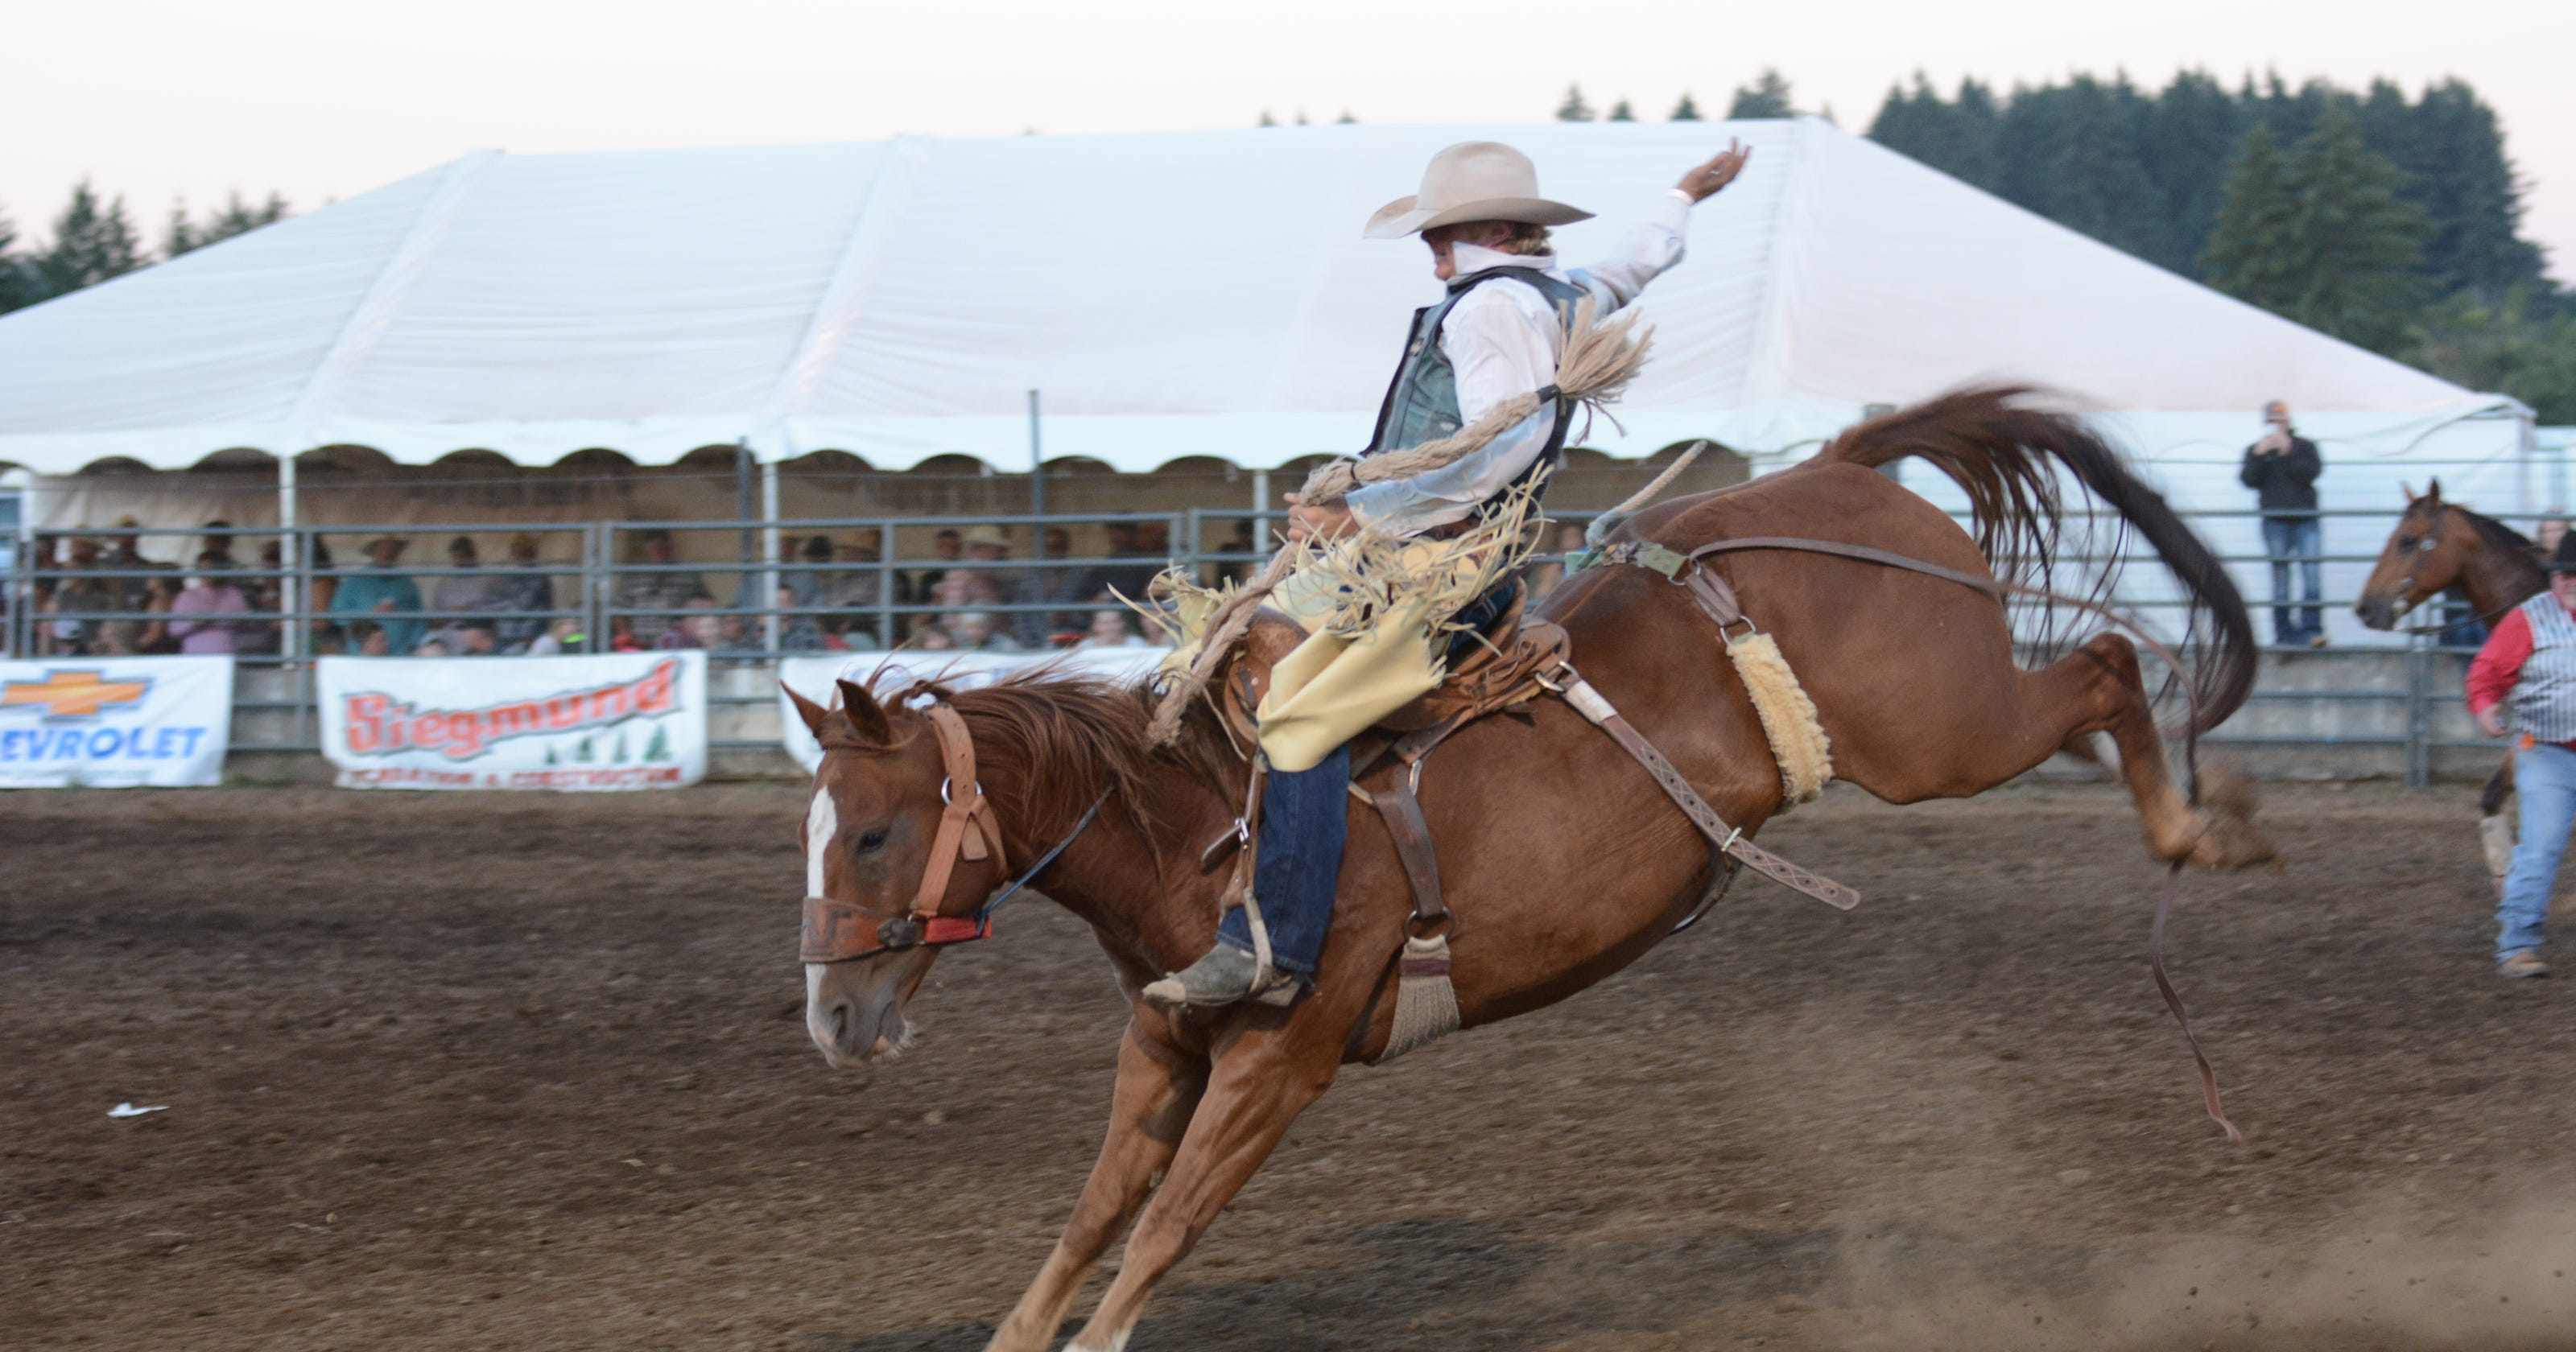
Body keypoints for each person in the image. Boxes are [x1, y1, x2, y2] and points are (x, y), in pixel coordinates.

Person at [1146, 137, 1749, 1008]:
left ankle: (1274, 948)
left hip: (1437, 567)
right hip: (1418, 556)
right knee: (1211, 659)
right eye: (1431, 232)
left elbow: (1501, 446)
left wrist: (1362, 509)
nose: (1432, 248)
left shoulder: (1487, 309)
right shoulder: (1553, 293)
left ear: (1498, 228)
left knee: (1298, 717)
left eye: (1447, 231)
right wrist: (1683, 195)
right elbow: (1632, 268)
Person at [2467, 532, 2576, 978]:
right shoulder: (2528, 620)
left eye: (2575, 574)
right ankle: (2517, 943)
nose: (2567, 581)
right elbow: (2486, 673)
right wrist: (2487, 706)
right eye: (2563, 574)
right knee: (2543, 843)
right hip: (2546, 748)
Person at [2240, 401, 2325, 648]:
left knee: (2311, 575)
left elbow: (2310, 474)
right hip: (2275, 522)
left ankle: (2312, 631)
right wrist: (2258, 455)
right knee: (2280, 579)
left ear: (2288, 423)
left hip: (2306, 521)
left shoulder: (2305, 447)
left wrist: (2289, 453)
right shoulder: (2256, 450)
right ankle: (2284, 635)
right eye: (2271, 422)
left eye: (2280, 421)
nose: (2276, 427)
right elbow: (2248, 480)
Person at [328, 535, 426, 655]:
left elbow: (419, 618)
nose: (388, 553)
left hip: (401, 656)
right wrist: (369, 612)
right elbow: (337, 614)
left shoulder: (407, 583)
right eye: (383, 549)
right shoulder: (354, 581)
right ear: (373, 551)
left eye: (393, 549)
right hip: (364, 657)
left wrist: (412, 644)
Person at [611, 528, 709, 646]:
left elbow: (705, 603)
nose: (658, 552)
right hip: (640, 643)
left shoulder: (687, 575)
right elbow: (619, 608)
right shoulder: (634, 576)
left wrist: (687, 629)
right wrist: (626, 637)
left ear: (670, 548)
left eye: (662, 548)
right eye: (653, 548)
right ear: (646, 550)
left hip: (675, 643)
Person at [167, 553, 252, 654]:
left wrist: (214, 618)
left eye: (212, 568)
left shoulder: (234, 594)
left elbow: (247, 622)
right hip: (195, 658)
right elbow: (174, 630)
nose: (208, 572)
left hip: (226, 657)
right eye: (204, 568)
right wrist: (194, 622)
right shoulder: (186, 596)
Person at [489, 533, 556, 652]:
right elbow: (490, 602)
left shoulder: (539, 578)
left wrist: (500, 607)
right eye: (515, 550)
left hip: (528, 639)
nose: (517, 554)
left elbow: (520, 606)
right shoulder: (509, 577)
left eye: (523, 550)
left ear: (532, 553)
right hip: (506, 636)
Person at [1076, 606, 1150, 649]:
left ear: (1123, 623)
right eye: (1104, 623)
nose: (1110, 627)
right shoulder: (1086, 646)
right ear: (1095, 626)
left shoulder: (1137, 643)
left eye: (1114, 622)